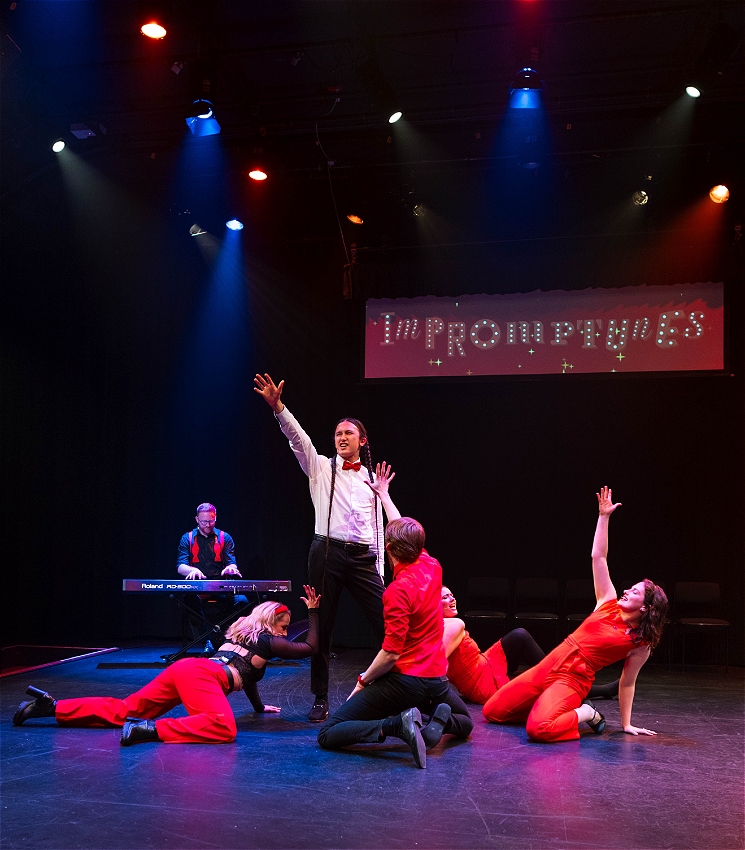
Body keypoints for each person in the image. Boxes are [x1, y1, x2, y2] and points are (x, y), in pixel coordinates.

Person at [254, 372, 400, 722]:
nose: (341, 438)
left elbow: (377, 528)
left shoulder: (371, 480)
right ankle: (321, 698)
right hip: (327, 553)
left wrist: (379, 568)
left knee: (388, 624)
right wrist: (279, 409)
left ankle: (395, 688)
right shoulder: (320, 467)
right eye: (337, 433)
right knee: (322, 625)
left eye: (348, 433)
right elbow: (298, 439)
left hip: (364, 556)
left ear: (363, 441)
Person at [13, 588, 320, 745]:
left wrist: (258, 707)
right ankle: (149, 730)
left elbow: (249, 675)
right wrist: (314, 612)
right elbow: (310, 647)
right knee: (223, 727)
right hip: (205, 676)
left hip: (187, 669)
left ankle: (51, 707)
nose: (284, 632)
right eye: (284, 626)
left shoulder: (241, 631)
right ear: (271, 623)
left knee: (125, 708)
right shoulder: (269, 640)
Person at [482, 487, 668, 742]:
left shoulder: (640, 642)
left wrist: (626, 724)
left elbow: (627, 682)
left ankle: (585, 713)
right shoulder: (607, 602)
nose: (626, 590)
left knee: (539, 729)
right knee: (492, 711)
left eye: (634, 591)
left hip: (572, 680)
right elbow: (598, 557)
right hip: (549, 666)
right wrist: (603, 517)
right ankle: (550, 707)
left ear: (645, 607)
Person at [317, 518, 473, 769]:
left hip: (406, 683)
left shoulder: (397, 591)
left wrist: (363, 681)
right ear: (418, 545)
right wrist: (385, 495)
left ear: (387, 548)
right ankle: (434, 721)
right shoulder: (432, 566)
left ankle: (396, 725)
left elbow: (390, 653)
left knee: (328, 733)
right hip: (436, 681)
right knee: (465, 722)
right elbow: (406, 532)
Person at [441, 587, 619, 704]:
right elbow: (440, 664)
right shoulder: (452, 627)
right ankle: (594, 689)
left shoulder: (446, 625)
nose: (452, 598)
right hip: (482, 683)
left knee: (519, 636)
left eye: (452, 594)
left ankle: (546, 671)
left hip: (485, 663)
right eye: (445, 597)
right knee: (542, 680)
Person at [176, 502, 246, 650]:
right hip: (198, 588)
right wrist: (191, 570)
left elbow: (232, 563)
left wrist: (231, 569)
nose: (208, 524)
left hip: (220, 587)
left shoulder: (224, 537)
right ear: (197, 519)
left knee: (243, 602)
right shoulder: (187, 538)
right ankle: (206, 641)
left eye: (211, 520)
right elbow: (180, 566)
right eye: (204, 521)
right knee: (188, 600)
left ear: (215, 518)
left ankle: (223, 636)